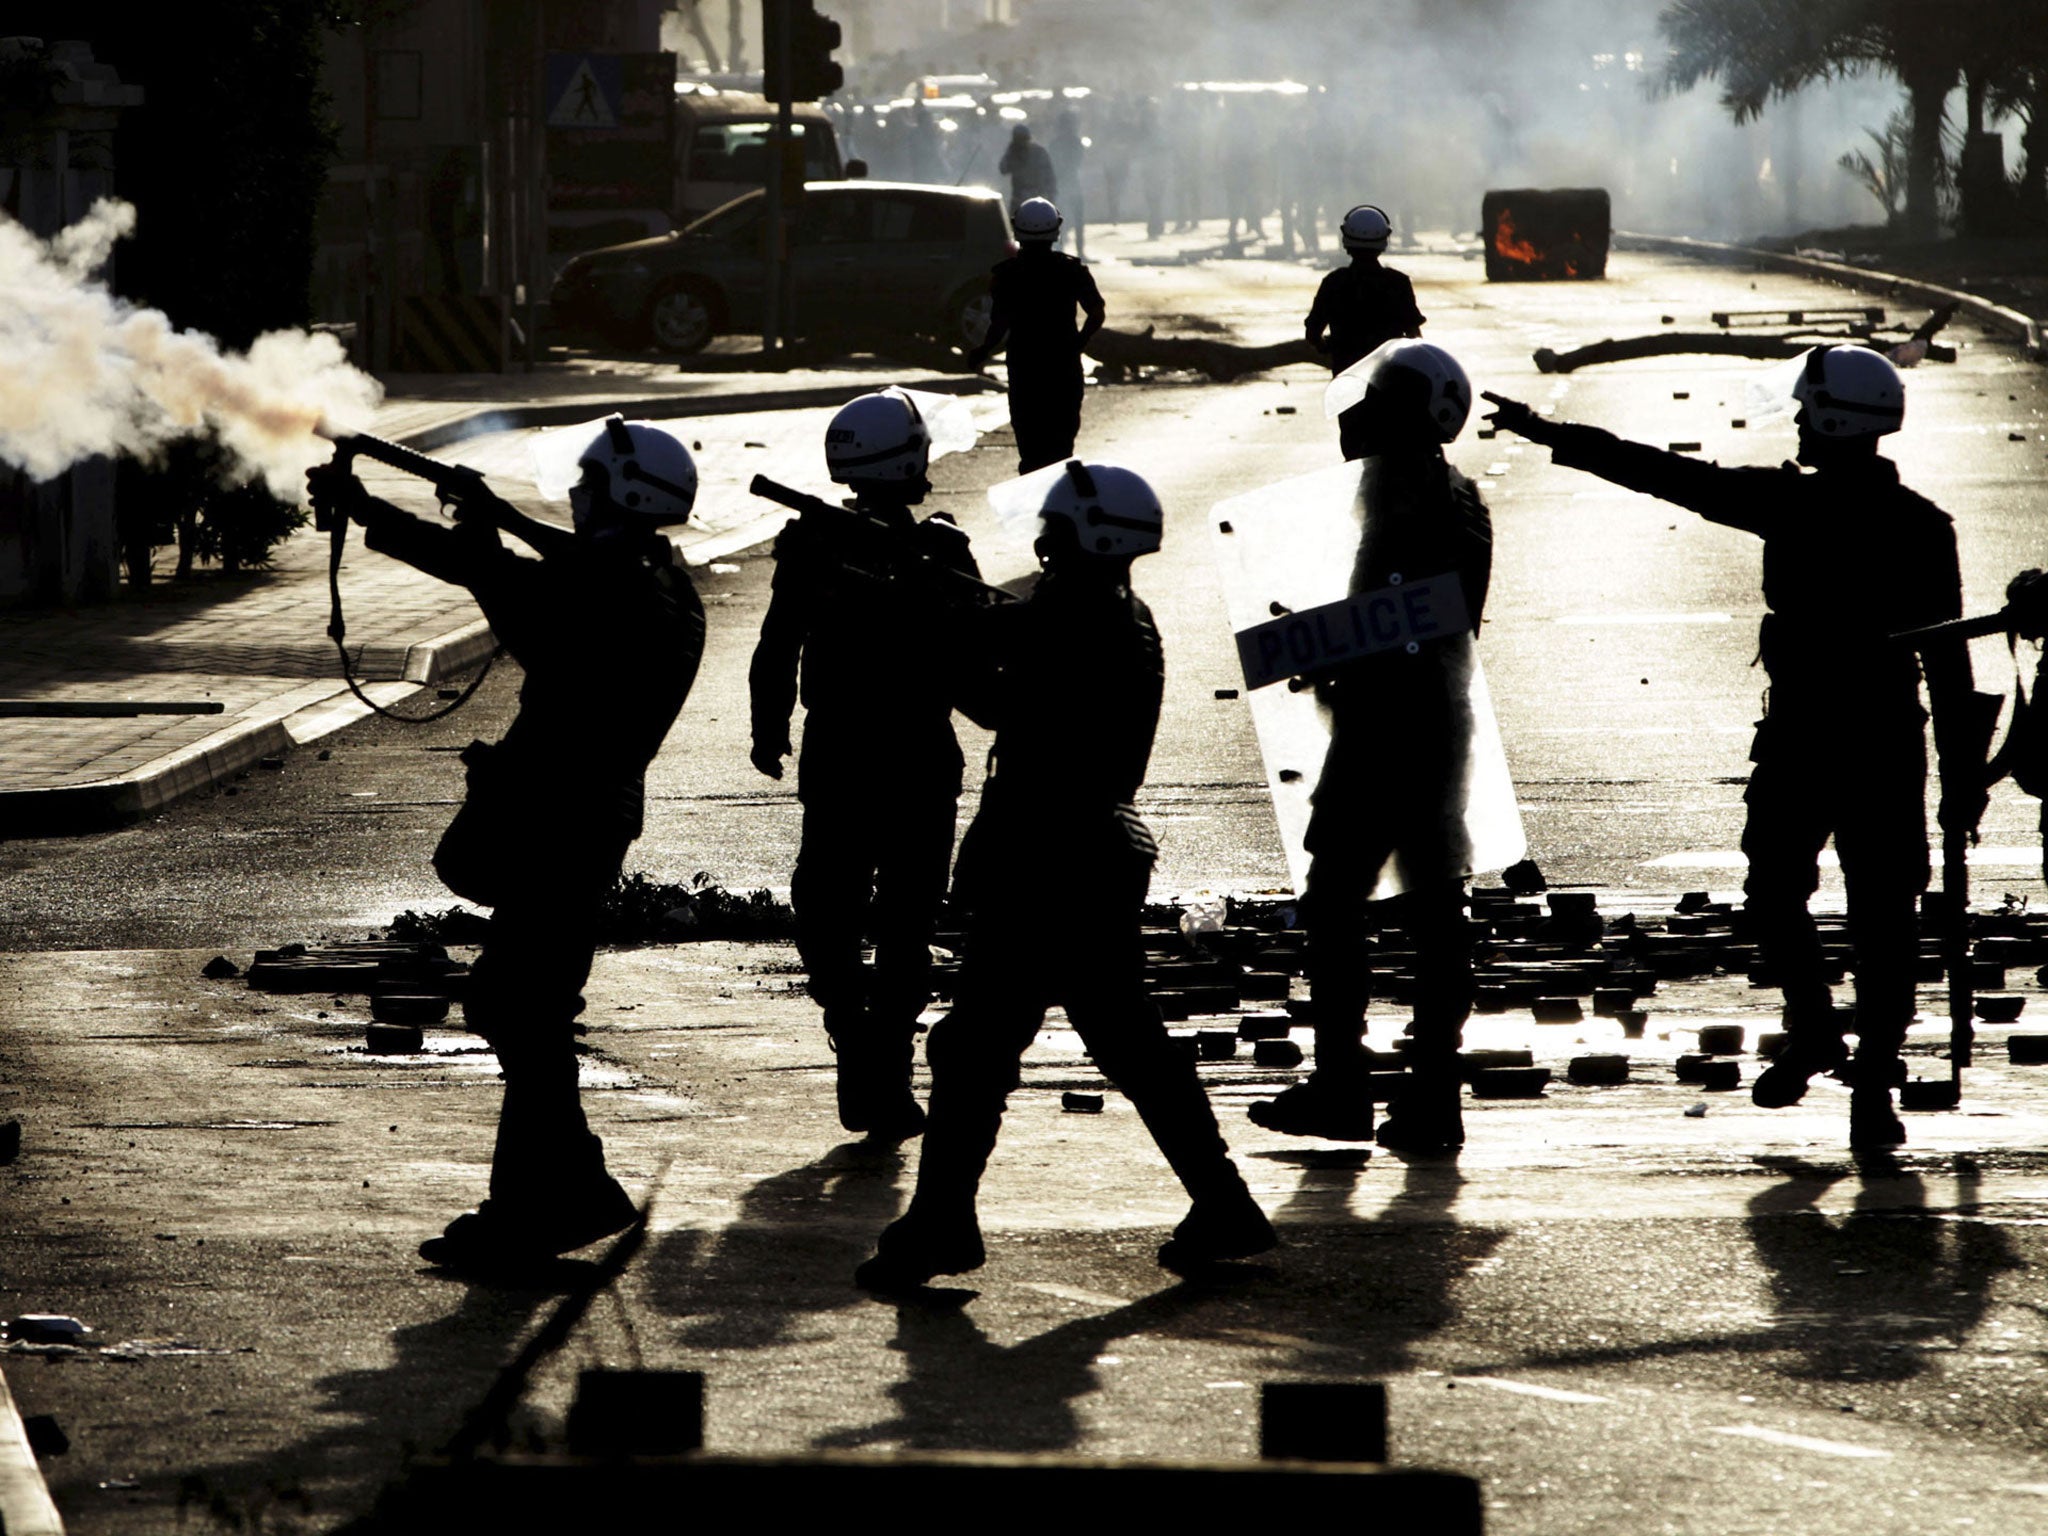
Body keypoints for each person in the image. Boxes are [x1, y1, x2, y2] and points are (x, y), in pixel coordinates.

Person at [1484, 346, 1992, 1148]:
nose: (1797, 422)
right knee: (1883, 919)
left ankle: (1820, 1033)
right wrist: (1964, 782)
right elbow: (1950, 666)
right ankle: (1867, 1080)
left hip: (1805, 737)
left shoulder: (1792, 504)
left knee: (1778, 892)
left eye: (1807, 410)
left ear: (1833, 419)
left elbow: (1666, 476)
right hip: (1887, 741)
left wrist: (1551, 433)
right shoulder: (1924, 526)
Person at [854, 461, 1276, 1291]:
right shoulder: (1107, 610)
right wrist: (943, 592)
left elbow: (987, 689)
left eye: (1057, 529)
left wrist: (927, 603)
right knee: (1123, 1042)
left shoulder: (1080, 615)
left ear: (1090, 538)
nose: (1044, 542)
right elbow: (1002, 651)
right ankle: (1223, 1202)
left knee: (977, 1049)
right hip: (1084, 850)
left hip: (1051, 854)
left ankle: (940, 1222)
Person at [306, 417, 704, 1269]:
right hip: (578, 817)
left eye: (590, 485)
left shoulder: (616, 592)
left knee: (521, 1006)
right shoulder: (658, 581)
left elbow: (507, 585)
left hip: (564, 816)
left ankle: (535, 1211)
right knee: (524, 1005)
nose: (577, 495)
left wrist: (402, 516)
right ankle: (568, 1189)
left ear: (625, 495)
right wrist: (482, 519)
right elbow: (550, 569)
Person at [1246, 342, 1491, 1151]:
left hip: (1390, 725)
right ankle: (1430, 1096)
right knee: (1433, 913)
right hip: (1434, 720)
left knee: (1337, 905)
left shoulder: (1401, 489)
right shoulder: (1453, 491)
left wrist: (1311, 643)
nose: (1360, 415)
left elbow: (1405, 618)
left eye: (1379, 400)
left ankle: (1345, 1088)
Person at [749, 390, 983, 1141]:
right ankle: (877, 1049)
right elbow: (977, 663)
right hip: (916, 751)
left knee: (831, 902)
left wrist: (768, 727)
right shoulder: (934, 547)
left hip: (843, 748)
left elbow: (777, 643)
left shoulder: (820, 542)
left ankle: (857, 1033)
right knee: (903, 917)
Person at [967, 198, 1106, 475]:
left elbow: (999, 323)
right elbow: (1097, 313)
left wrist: (982, 351)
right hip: (1063, 366)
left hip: (1024, 367)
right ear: (1056, 230)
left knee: (1030, 447)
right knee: (1062, 446)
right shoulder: (1072, 270)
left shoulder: (1006, 275)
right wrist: (1078, 344)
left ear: (1017, 230)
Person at [1305, 205, 1426, 461]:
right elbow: (1415, 336)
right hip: (1390, 382)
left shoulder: (1334, 283)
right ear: (1384, 242)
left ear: (1346, 242)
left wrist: (1326, 346)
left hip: (1348, 381)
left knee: (1352, 451)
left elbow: (1312, 332)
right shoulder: (1398, 283)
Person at [1048, 108, 1088, 261]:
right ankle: (1069, 249)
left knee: (1068, 220)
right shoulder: (1072, 142)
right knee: (1071, 220)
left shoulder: (1059, 143)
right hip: (1066, 184)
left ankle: (1064, 249)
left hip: (1068, 185)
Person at [998, 123, 1057, 215]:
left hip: (1037, 197)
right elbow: (1003, 169)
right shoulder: (1012, 153)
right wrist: (1011, 154)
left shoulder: (1039, 152)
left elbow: (1049, 175)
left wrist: (1051, 195)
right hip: (1018, 197)